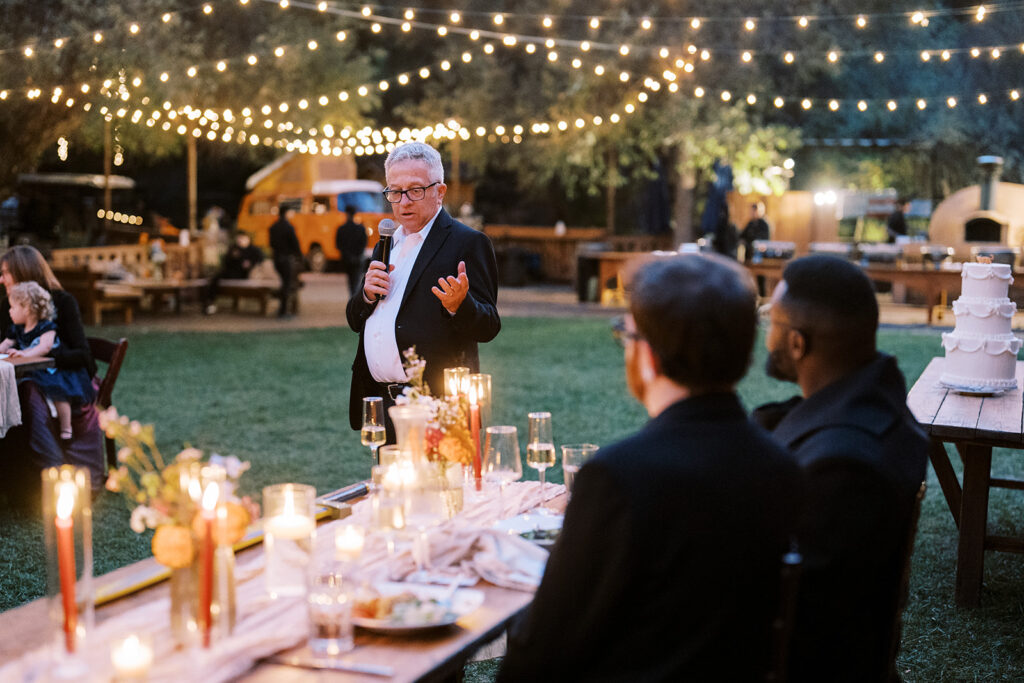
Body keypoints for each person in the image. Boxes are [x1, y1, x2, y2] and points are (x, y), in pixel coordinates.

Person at [500, 254, 800, 682]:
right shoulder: (782, 466)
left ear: (649, 356)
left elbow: (543, 650)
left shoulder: (618, 477)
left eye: (626, 333)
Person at [754, 254, 928, 682]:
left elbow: (791, 622)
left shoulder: (844, 468)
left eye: (770, 321)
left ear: (797, 343)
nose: (765, 331)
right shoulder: (875, 403)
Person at [346, 141, 500, 440]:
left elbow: (489, 325)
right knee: (391, 488)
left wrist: (460, 304)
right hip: (381, 403)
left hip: (437, 410)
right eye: (394, 191)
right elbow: (356, 321)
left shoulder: (467, 243)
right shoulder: (385, 243)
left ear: (439, 192)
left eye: (415, 190)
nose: (403, 202)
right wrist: (365, 296)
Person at [0, 246, 104, 496]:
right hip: (20, 380)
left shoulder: (61, 302)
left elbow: (84, 356)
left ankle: (56, 474)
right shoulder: (7, 304)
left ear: (23, 271)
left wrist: (42, 355)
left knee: (29, 394)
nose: (1, 279)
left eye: (5, 273)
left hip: (65, 381)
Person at [1, 282, 96, 441]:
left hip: (51, 370)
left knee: (59, 393)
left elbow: (44, 348)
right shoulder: (16, 328)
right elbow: (5, 344)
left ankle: (66, 427)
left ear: (27, 308)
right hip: (33, 369)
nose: (9, 311)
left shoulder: (46, 328)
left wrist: (24, 354)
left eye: (13, 307)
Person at [203, 231, 265, 314]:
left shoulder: (254, 250)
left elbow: (260, 260)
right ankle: (209, 302)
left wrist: (250, 264)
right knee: (215, 278)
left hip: (243, 274)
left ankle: (210, 303)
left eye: (242, 238)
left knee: (220, 277)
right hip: (230, 272)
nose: (240, 240)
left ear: (248, 239)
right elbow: (226, 262)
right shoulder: (234, 248)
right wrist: (233, 257)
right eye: (239, 238)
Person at [269, 206, 302, 318]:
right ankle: (283, 310)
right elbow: (295, 244)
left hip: (277, 258)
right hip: (286, 259)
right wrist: (299, 256)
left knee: (283, 283)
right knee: (287, 284)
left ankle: (282, 309)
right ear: (286, 213)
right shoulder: (288, 227)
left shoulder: (273, 227)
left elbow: (271, 244)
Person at [335, 205, 367, 297]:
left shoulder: (341, 229)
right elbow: (363, 243)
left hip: (347, 260)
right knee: (356, 280)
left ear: (346, 214)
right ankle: (354, 297)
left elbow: (338, 245)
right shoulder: (361, 228)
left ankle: (352, 298)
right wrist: (357, 255)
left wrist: (348, 255)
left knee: (350, 281)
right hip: (358, 259)